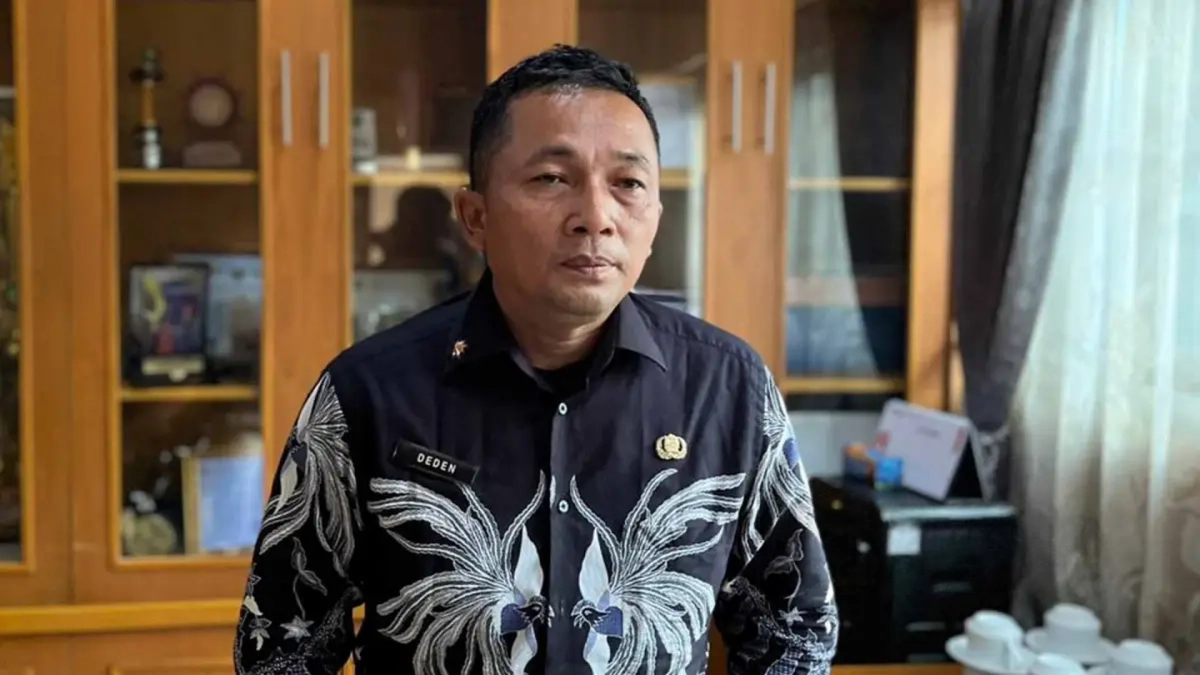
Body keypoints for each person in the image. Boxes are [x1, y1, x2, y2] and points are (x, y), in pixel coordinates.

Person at [233, 44, 838, 675]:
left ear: (656, 218)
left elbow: (794, 635)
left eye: (628, 184)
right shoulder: (367, 393)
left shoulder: (729, 389)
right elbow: (280, 647)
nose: (596, 218)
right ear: (475, 217)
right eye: (552, 179)